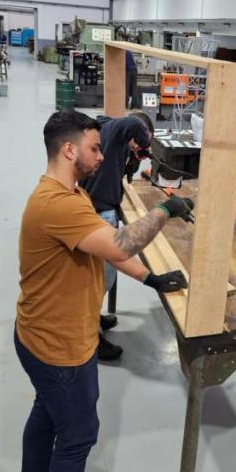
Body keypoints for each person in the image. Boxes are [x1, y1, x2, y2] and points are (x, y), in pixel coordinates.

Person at [16, 110, 190, 472]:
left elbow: (104, 248)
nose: (101, 156)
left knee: (46, 413)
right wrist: (165, 210)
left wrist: (150, 279)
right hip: (59, 345)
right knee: (77, 436)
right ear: (69, 149)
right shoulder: (59, 204)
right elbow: (120, 245)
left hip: (41, 333)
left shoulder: (73, 193)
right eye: (95, 148)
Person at [78, 111, 155, 361]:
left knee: (101, 280)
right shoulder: (117, 129)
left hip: (98, 209)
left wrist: (133, 155)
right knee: (100, 280)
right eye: (142, 139)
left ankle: (95, 321)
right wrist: (144, 141)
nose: (141, 145)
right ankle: (92, 338)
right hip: (100, 214)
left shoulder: (113, 139)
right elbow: (132, 123)